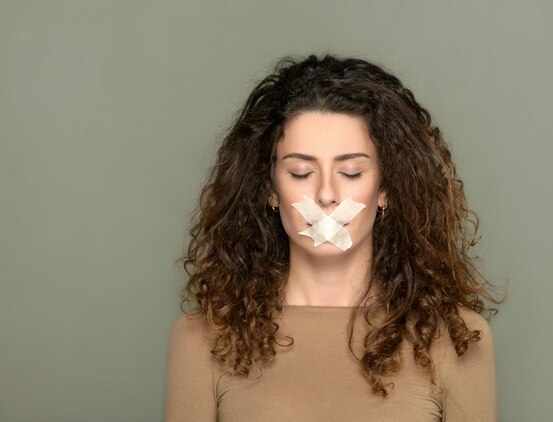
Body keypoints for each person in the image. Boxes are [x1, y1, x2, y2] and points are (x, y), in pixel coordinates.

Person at [164, 54, 503, 421]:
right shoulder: (204, 338)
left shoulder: (457, 338)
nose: (326, 195)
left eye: (352, 172)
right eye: (300, 172)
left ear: (386, 188)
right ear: (271, 189)